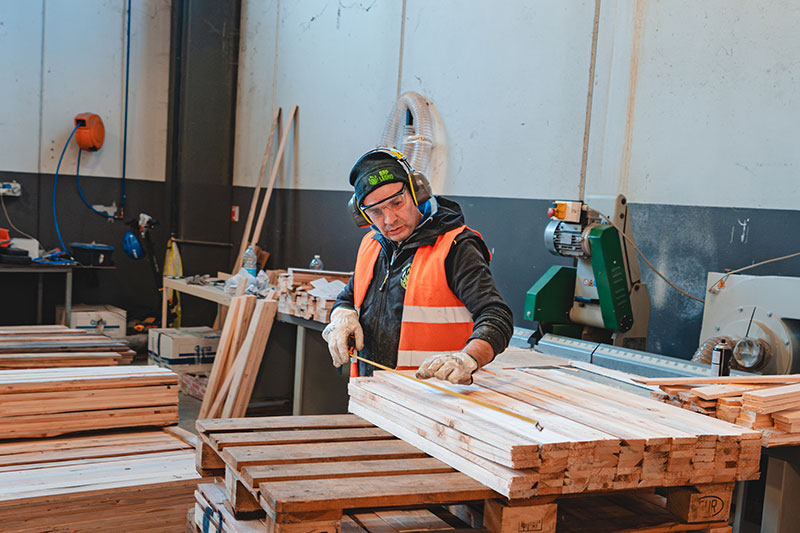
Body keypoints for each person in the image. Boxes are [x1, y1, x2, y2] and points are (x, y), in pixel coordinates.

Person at [322, 147, 513, 384]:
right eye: (376, 211)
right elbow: (349, 297)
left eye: (397, 203)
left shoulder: (454, 246)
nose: (389, 220)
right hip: (373, 394)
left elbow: (496, 316)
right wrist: (342, 316)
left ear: (417, 192)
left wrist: (467, 359)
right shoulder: (372, 246)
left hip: (434, 400)